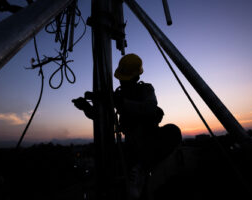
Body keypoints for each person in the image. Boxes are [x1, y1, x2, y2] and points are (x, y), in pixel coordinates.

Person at [72, 53, 182, 199]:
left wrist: (121, 102)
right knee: (107, 156)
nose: (122, 83)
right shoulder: (117, 95)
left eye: (126, 80)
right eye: (121, 80)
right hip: (132, 145)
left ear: (136, 78)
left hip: (150, 140)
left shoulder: (146, 90)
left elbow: (149, 107)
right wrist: (86, 107)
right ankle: (135, 172)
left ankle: (142, 168)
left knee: (173, 131)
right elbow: (102, 118)